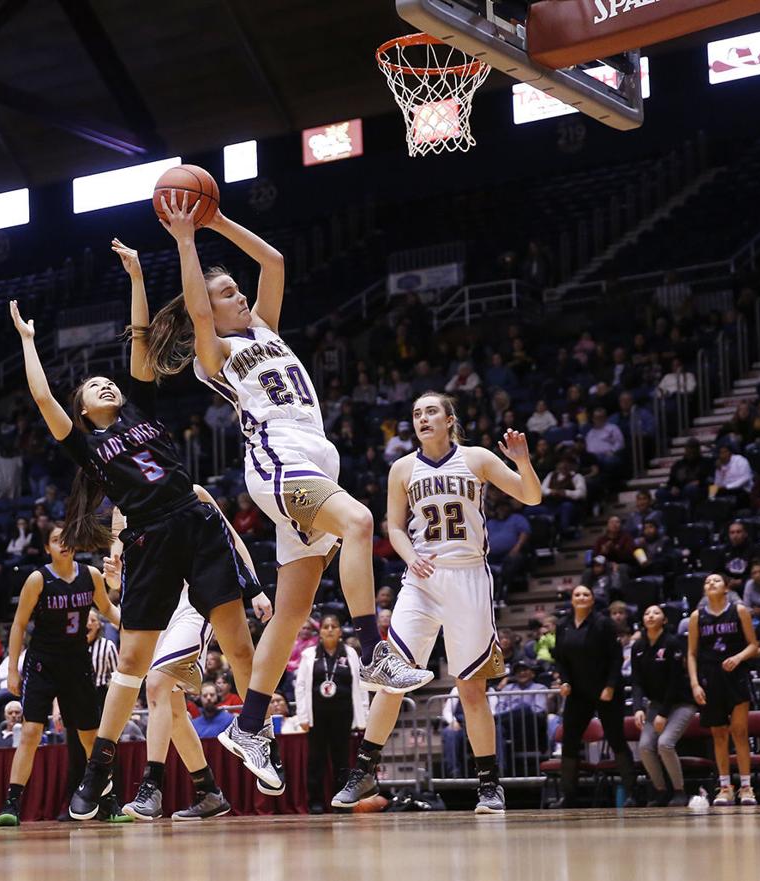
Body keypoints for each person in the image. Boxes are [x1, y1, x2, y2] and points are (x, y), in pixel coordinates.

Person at [152, 196, 430, 795]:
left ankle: (249, 726)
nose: (239, 297)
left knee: (293, 612)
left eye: (235, 290)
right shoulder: (216, 353)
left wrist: (217, 220)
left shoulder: (266, 331)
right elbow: (200, 314)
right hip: (278, 456)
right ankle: (374, 649)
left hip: (315, 454)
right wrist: (185, 242)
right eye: (227, 294)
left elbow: (273, 261)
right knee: (359, 522)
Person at [9, 241, 260, 822]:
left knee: (238, 640)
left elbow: (140, 335)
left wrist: (139, 274)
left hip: (192, 520)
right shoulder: (84, 444)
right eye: (93, 387)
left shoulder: (142, 405)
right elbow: (43, 395)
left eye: (107, 382)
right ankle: (100, 767)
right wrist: (28, 343)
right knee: (133, 663)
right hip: (148, 536)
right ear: (82, 407)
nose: (105, 386)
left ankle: (256, 732)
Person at [332, 392, 542, 815]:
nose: (423, 418)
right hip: (421, 579)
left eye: (431, 411)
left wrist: (522, 460)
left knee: (471, 688)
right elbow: (394, 527)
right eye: (416, 413)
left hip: (468, 577)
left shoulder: (478, 458)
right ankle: (365, 770)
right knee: (393, 678)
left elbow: (531, 497)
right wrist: (411, 558)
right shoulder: (402, 468)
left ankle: (489, 785)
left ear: (449, 420)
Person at [114, 485, 275, 820]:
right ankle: (208, 791)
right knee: (171, 709)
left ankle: (151, 787)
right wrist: (115, 579)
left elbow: (230, 539)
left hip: (193, 600)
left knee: (156, 686)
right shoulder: (123, 506)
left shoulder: (191, 492)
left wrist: (255, 588)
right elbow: (121, 571)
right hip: (153, 607)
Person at [0, 525, 122, 826]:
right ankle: (11, 804)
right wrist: (12, 669)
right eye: (54, 540)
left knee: (91, 737)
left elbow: (107, 609)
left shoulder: (90, 575)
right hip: (42, 664)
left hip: (77, 662)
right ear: (47, 548)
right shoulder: (38, 579)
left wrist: (132, 625)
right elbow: (18, 625)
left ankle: (109, 801)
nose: (62, 544)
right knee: (30, 733)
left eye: (66, 539)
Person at [547, 585, 636, 807]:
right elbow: (560, 658)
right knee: (569, 741)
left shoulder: (603, 623)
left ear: (593, 600)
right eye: (577, 594)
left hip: (605, 691)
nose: (581, 597)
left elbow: (617, 657)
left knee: (616, 739)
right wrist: (565, 681)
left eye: (586, 594)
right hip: (578, 693)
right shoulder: (563, 625)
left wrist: (611, 685)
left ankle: (632, 794)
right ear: (572, 600)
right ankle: (568, 797)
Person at [687, 573, 759, 806]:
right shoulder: (697, 617)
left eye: (716, 581)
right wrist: (695, 683)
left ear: (726, 588)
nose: (711, 584)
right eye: (707, 582)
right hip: (710, 677)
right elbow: (691, 653)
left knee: (739, 731)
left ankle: (747, 787)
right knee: (718, 735)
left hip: (736, 675)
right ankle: (725, 786)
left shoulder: (739, 611)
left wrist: (738, 658)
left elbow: (754, 645)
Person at [295, 613, 369, 813]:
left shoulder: (350, 653)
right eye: (325, 626)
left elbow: (360, 685)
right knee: (315, 760)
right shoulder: (309, 654)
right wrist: (302, 716)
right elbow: (300, 686)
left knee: (342, 760)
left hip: (343, 715)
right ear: (320, 632)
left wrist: (364, 714)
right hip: (316, 716)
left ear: (340, 632)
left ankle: (341, 801)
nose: (329, 629)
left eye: (333, 626)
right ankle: (316, 802)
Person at [631, 605, 694, 807]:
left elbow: (675, 681)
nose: (651, 615)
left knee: (665, 744)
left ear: (664, 620)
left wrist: (664, 713)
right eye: (647, 613)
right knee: (644, 747)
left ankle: (679, 791)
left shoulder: (672, 643)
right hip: (656, 704)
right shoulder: (638, 647)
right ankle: (660, 791)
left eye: (656, 613)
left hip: (681, 703)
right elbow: (637, 681)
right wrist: (638, 708)